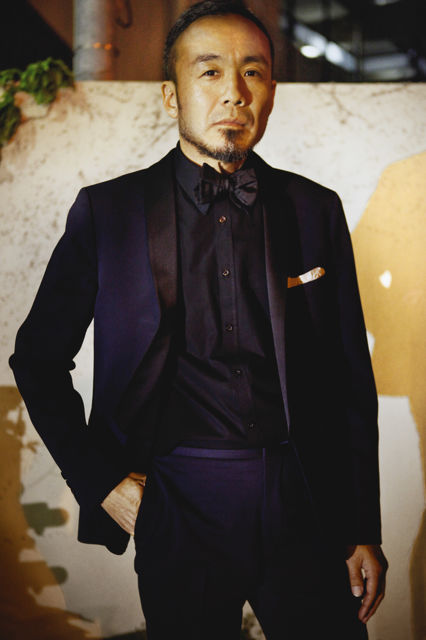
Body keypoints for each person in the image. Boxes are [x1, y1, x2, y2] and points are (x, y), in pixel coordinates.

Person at [9, 1, 388, 638]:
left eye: (252, 72)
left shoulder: (314, 208)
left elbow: (349, 377)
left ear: (271, 93)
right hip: (178, 497)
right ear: (171, 94)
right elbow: (38, 360)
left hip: (303, 494)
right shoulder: (108, 211)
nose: (234, 92)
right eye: (209, 72)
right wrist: (101, 480)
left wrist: (361, 526)